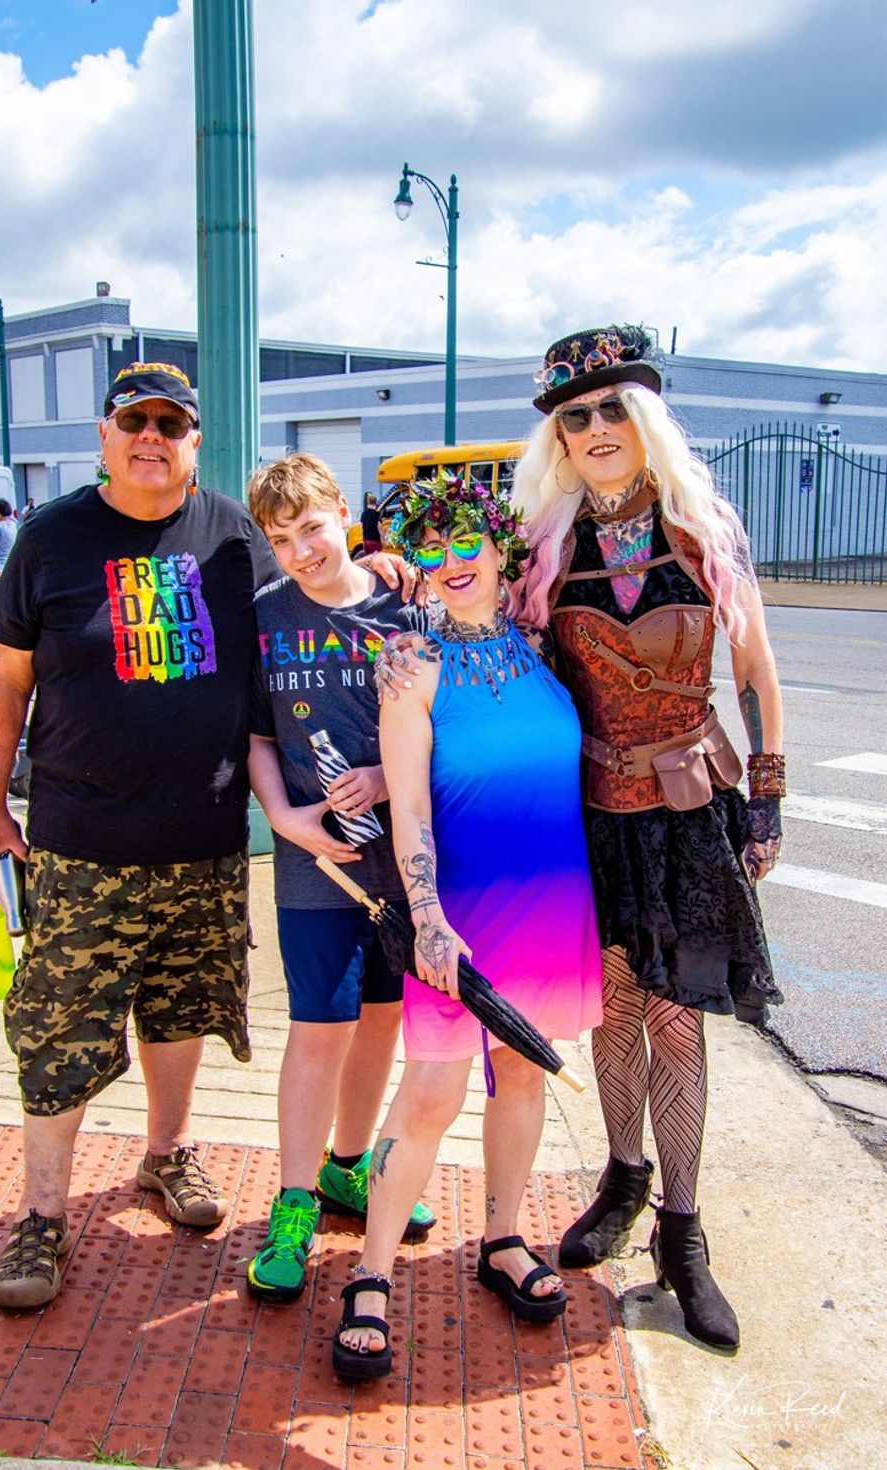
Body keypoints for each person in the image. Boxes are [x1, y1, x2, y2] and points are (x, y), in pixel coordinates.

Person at [0, 362, 278, 1311]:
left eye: (170, 425)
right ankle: (41, 1214)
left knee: (182, 1011)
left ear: (194, 442)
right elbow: (3, 686)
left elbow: (305, 616)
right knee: (58, 1028)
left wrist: (384, 572)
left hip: (205, 842)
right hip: (79, 845)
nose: (152, 437)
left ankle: (166, 1153)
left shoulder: (235, 536)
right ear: (104, 435)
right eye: (134, 420)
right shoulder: (49, 540)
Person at [509, 324, 785, 1350]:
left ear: (646, 419)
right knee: (615, 1007)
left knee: (676, 1019)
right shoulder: (543, 548)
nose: (593, 427)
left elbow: (754, 672)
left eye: (612, 408)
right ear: (558, 438)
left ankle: (682, 1232)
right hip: (589, 815)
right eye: (573, 416)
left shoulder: (699, 530)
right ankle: (621, 1180)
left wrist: (767, 796)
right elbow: (503, 660)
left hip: (686, 817)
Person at [332, 469, 603, 1380]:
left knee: (521, 1075)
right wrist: (428, 919)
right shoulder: (411, 664)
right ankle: (370, 1273)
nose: (451, 561)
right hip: (462, 916)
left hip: (554, 901)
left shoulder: (542, 644)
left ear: (499, 549)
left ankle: (502, 1239)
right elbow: (409, 807)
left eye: (466, 542)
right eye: (432, 546)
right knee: (432, 1093)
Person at [244, 453, 435, 1303]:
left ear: (345, 516)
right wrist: (283, 817)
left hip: (402, 861)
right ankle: (294, 1202)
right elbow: (257, 736)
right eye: (282, 539)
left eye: (313, 528)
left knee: (383, 1018)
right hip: (315, 865)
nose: (302, 552)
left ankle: (347, 1167)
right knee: (319, 1025)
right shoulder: (266, 617)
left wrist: (390, 779)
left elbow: (441, 717)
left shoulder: (404, 605)